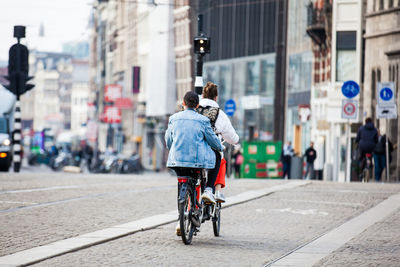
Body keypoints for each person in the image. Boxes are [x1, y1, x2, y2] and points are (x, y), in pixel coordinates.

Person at [165, 91, 224, 204]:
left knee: (182, 180)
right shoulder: (203, 120)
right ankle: (208, 189)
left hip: (176, 161)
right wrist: (220, 147)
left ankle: (182, 212)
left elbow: (168, 140)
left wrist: (173, 149)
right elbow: (213, 141)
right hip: (197, 162)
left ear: (183, 103)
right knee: (217, 156)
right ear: (197, 105)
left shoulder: (173, 119)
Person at [198, 82, 239, 203]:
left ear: (202, 95)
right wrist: (235, 140)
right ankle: (213, 190)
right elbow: (232, 138)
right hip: (210, 152)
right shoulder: (220, 114)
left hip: (194, 150)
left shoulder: (195, 109)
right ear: (216, 97)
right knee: (219, 159)